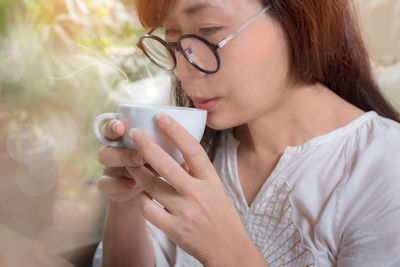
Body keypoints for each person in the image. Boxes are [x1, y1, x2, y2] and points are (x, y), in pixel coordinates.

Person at [93, 0, 400, 266]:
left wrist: (227, 253)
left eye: (209, 30)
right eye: (173, 42)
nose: (185, 68)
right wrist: (125, 199)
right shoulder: (189, 149)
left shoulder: (383, 165)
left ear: (296, 16)